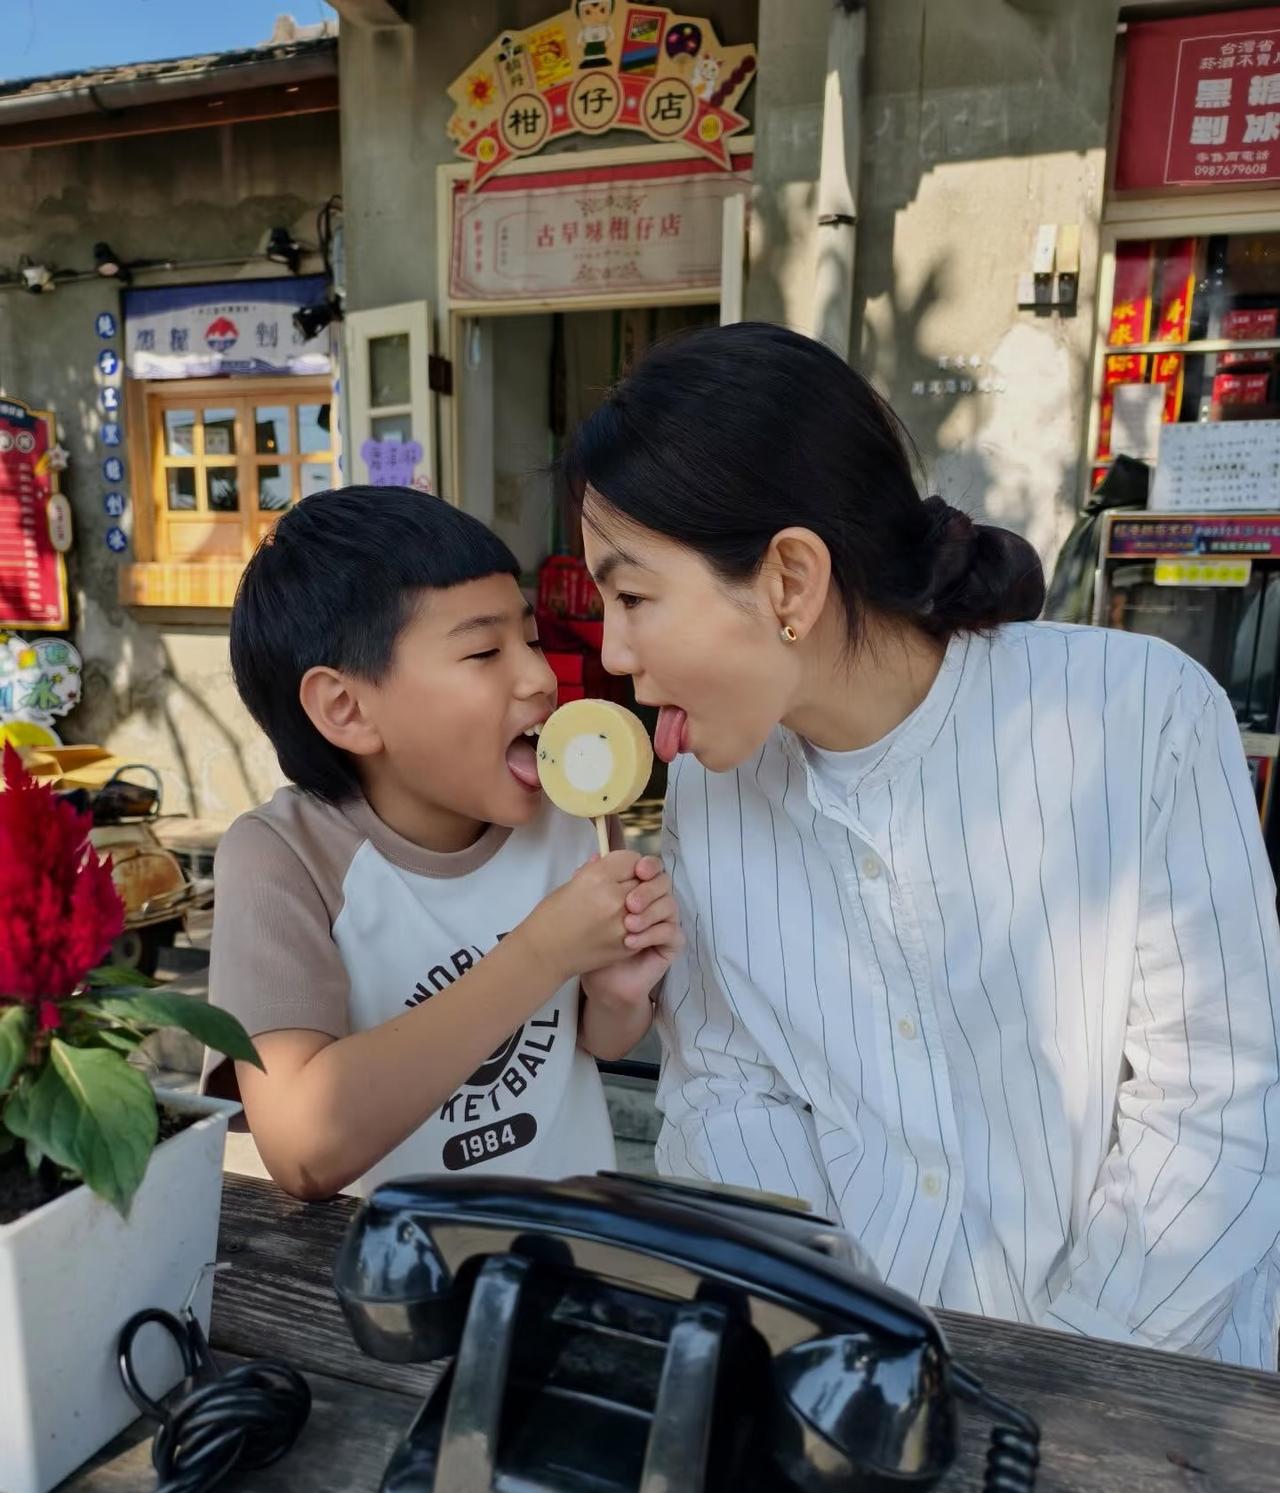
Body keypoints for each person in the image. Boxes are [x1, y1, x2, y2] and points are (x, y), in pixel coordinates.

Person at [560, 321, 1280, 1368]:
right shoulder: (714, 787)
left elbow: (1211, 1102)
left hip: (1147, 1385)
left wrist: (1060, 1379)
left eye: (631, 595)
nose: (615, 652)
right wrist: (840, 1347)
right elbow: (729, 1089)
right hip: (854, 1376)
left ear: (789, 580)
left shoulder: (1138, 717)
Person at [205, 486, 680, 1200]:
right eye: (485, 651)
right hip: (387, 1257)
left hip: (571, 1233)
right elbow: (302, 1150)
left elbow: (595, 1040)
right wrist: (543, 952)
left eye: (531, 639)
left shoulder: (574, 817)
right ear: (347, 708)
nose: (540, 678)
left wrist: (618, 995)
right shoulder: (284, 859)